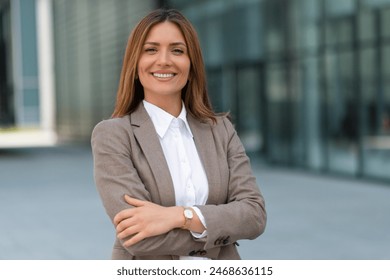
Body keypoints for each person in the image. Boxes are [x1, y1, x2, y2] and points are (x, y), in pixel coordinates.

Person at [91, 8, 266, 260]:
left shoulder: (221, 130)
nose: (164, 60)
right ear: (135, 63)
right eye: (151, 50)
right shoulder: (113, 135)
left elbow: (254, 215)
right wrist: (216, 228)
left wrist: (177, 216)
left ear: (191, 64)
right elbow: (138, 238)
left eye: (177, 50)